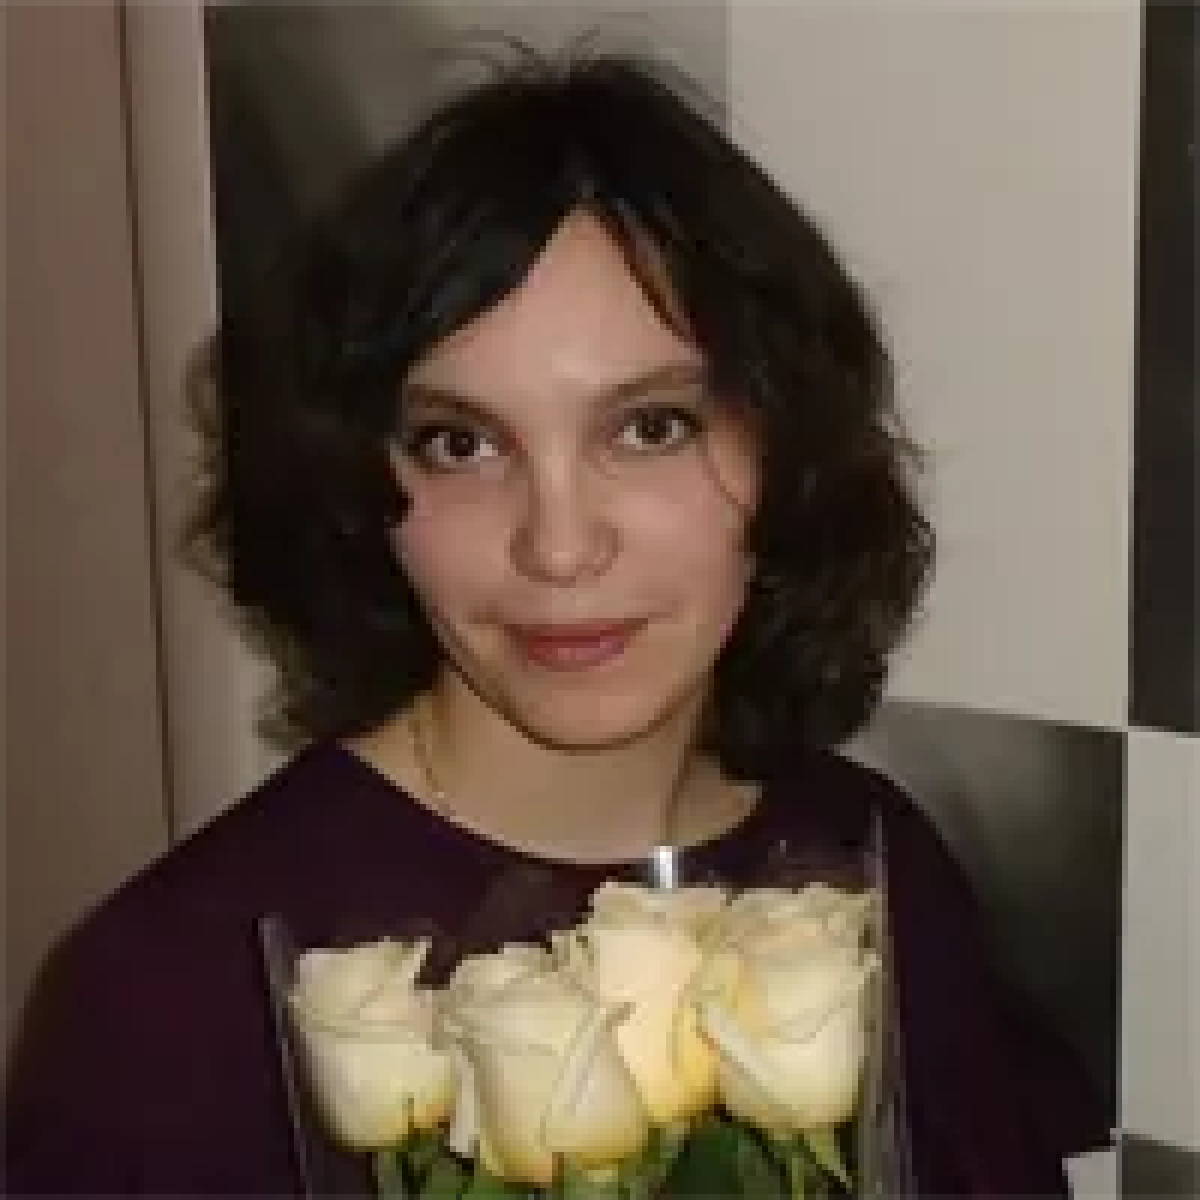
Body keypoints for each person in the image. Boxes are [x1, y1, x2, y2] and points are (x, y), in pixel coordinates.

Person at [4, 47, 1106, 1196]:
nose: (560, 547)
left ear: (785, 451)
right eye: (461, 443)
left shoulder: (871, 876)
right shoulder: (172, 998)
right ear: (357, 487)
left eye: (649, 427)